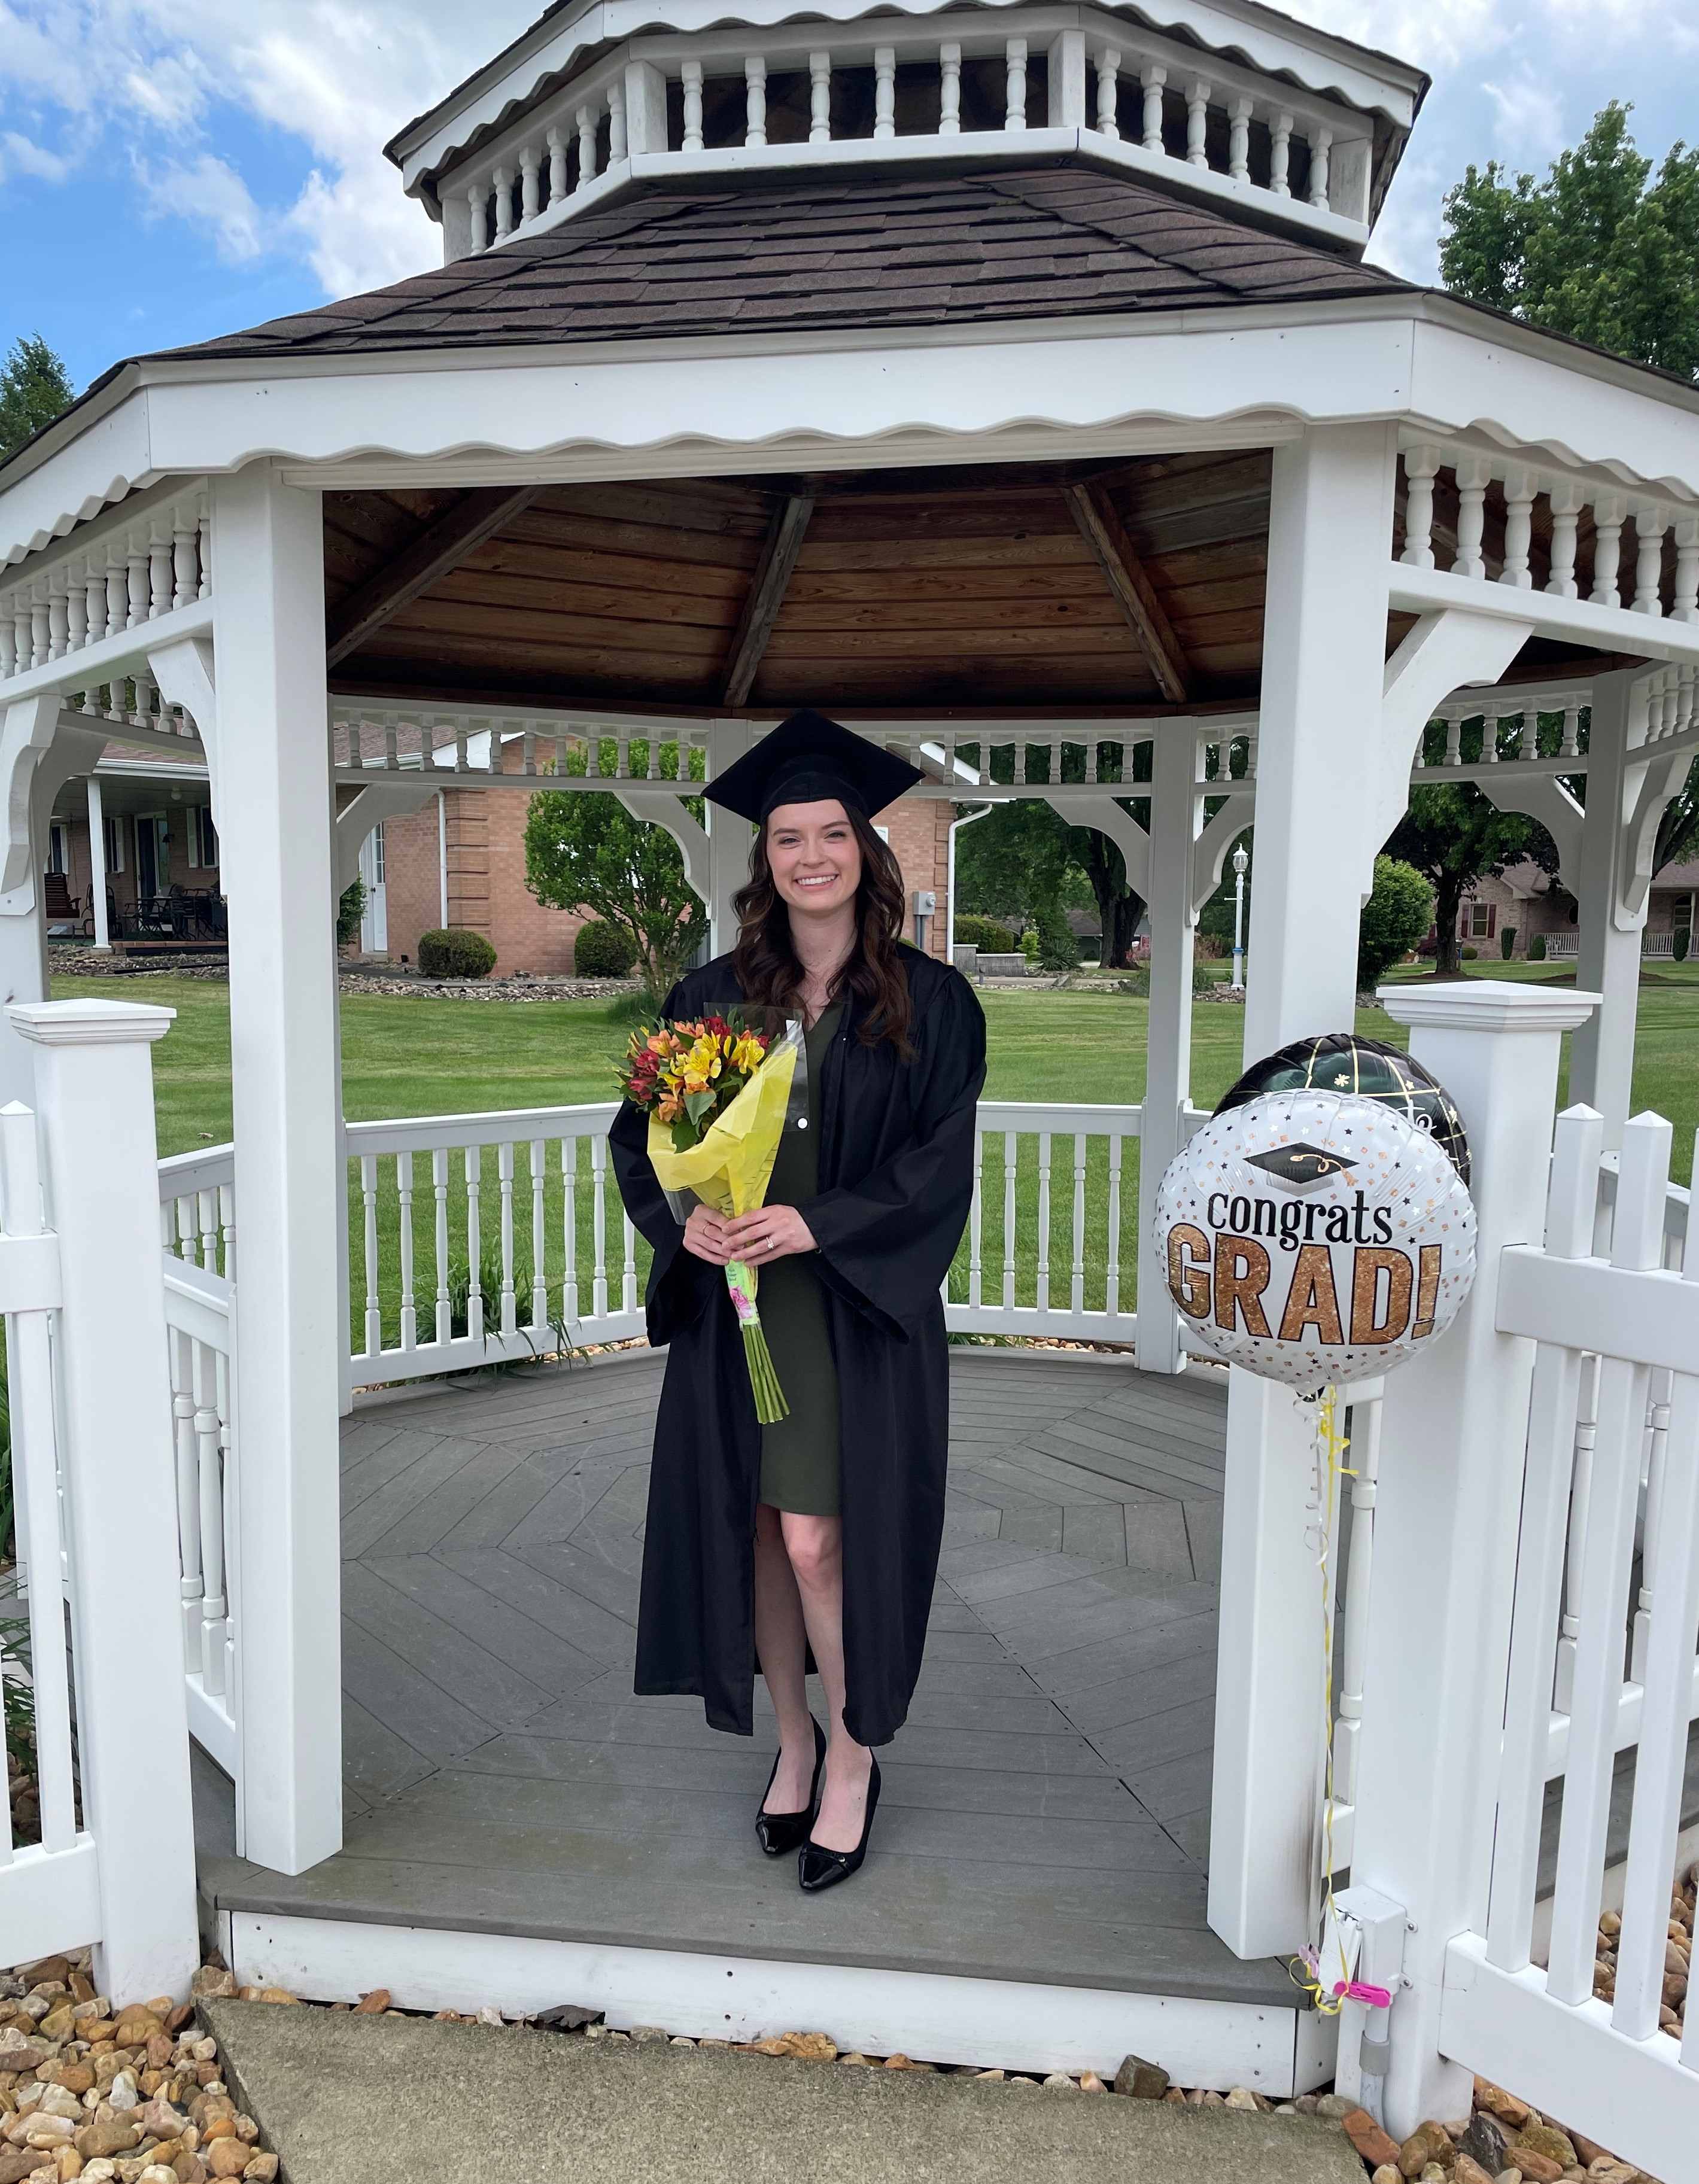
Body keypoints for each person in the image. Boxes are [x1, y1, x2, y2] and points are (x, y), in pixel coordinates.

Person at [610, 711, 986, 1892]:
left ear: (866, 852)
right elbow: (646, 1136)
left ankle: (854, 1759)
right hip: (740, 1309)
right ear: (763, 857)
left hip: (851, 1313)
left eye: (833, 833)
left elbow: (937, 1163)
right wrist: (692, 1220)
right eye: (788, 836)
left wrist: (819, 1222)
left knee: (824, 1538)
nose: (811, 854)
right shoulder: (715, 991)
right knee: (761, 1530)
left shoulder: (931, 1002)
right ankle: (793, 1739)